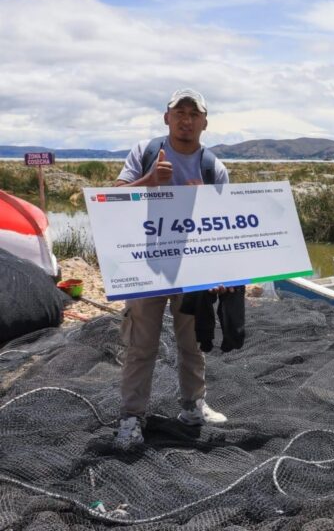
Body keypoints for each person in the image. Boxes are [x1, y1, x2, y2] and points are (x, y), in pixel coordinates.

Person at [113, 89, 230, 449]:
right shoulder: (144, 154)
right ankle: (133, 416)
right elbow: (111, 202)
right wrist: (148, 182)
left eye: (194, 114)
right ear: (167, 118)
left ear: (205, 122)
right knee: (141, 345)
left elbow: (228, 228)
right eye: (179, 112)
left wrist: (224, 274)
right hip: (145, 267)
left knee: (192, 342)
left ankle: (193, 405)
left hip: (192, 270)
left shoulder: (214, 168)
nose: (186, 120)